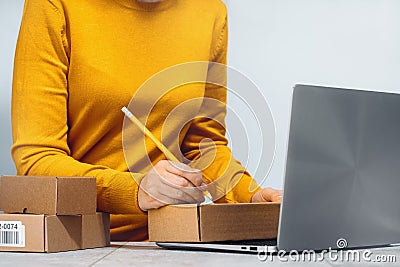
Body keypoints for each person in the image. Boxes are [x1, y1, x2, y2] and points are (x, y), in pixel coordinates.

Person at [11, 0, 282, 241]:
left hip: (175, 240)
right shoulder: (53, 5)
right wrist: (135, 191)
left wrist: (251, 197)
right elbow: (36, 160)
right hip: (79, 240)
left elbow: (202, 147)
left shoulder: (210, 10)